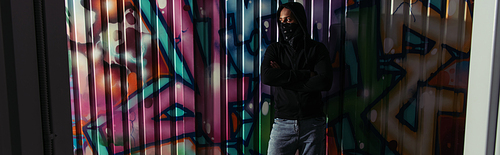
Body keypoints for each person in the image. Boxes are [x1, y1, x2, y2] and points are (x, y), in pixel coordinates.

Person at [261, 2, 333, 155]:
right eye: (281, 21)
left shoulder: (316, 49)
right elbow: (267, 77)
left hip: (312, 124)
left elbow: (324, 82)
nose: (284, 24)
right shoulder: (275, 49)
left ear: (299, 21)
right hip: (283, 124)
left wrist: (284, 78)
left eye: (288, 20)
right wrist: (306, 74)